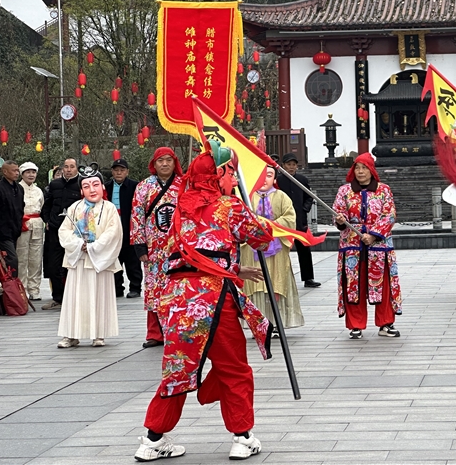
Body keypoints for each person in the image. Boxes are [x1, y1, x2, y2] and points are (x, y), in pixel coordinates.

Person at [134, 144, 273, 462]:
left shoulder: (180, 209)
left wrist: (233, 268)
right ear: (218, 174)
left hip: (178, 301)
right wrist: (260, 220)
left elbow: (187, 255)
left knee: (177, 369)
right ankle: (242, 437)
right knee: (234, 368)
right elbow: (262, 237)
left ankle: (152, 440)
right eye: (231, 173)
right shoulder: (229, 206)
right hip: (213, 299)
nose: (234, 179)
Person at [333, 153, 402, 339]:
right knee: (353, 285)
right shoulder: (344, 191)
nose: (360, 171)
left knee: (383, 284)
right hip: (352, 245)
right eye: (357, 168)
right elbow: (338, 212)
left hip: (379, 246)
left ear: (372, 170)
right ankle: (355, 325)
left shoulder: (384, 190)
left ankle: (386, 323)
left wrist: (373, 235)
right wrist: (340, 220)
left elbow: (389, 215)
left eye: (364, 168)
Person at [56, 167, 122, 348]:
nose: (92, 190)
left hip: (100, 259)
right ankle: (71, 334)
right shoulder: (74, 208)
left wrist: (94, 246)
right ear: (81, 190)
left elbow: (113, 233)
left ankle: (99, 334)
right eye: (86, 186)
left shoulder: (109, 208)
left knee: (99, 297)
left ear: (102, 187)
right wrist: (79, 244)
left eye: (95, 185)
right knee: (75, 298)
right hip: (78, 258)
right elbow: (64, 231)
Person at [241, 166, 305, 332]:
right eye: (261, 175)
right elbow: (241, 219)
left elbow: (290, 218)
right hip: (252, 248)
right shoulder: (247, 196)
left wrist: (270, 225)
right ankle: (258, 324)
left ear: (274, 179)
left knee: (276, 283)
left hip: (276, 249)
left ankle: (277, 322)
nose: (265, 179)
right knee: (255, 283)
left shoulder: (281, 196)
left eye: (269, 175)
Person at [131, 147, 183, 348]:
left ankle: (177, 329)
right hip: (153, 246)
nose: (165, 164)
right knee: (154, 287)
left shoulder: (183, 185)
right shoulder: (144, 187)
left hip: (178, 247)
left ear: (174, 162)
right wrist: (139, 245)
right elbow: (136, 216)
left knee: (178, 286)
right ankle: (155, 333)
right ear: (154, 164)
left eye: (168, 160)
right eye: (160, 160)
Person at [41, 158, 81, 310]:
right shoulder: (54, 184)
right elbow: (47, 205)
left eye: (72, 167)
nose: (68, 170)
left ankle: (74, 298)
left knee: (72, 264)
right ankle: (58, 297)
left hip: (74, 231)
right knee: (53, 265)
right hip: (54, 229)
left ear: (76, 168)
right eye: (66, 167)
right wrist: (47, 221)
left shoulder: (81, 184)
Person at [276, 152, 320, 287]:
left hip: (300, 220)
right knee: (281, 249)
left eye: (294, 165)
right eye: (288, 164)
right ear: (283, 165)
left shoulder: (302, 179)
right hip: (283, 220)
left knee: (304, 249)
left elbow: (309, 196)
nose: (291, 167)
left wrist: (304, 209)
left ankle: (308, 278)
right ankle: (280, 279)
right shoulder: (278, 181)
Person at [104, 158, 142, 298]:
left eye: (122, 170)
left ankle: (135, 288)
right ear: (112, 172)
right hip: (112, 230)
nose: (119, 173)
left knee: (133, 261)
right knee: (114, 261)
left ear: (127, 172)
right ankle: (116, 288)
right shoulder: (105, 187)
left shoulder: (135, 186)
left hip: (129, 229)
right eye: (116, 170)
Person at [17, 162, 44, 301]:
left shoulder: (39, 191)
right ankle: (21, 288)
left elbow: (42, 206)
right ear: (22, 174)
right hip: (22, 224)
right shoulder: (17, 188)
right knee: (21, 258)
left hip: (37, 224)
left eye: (33, 172)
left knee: (36, 258)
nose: (31, 175)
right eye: (28, 172)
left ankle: (34, 289)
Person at [0, 160, 25, 280]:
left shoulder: (19, 188)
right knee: (12, 259)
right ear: (5, 172)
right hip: (2, 231)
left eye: (17, 170)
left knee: (9, 258)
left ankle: (10, 283)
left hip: (15, 229)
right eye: (14, 170)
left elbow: (21, 208)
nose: (17, 173)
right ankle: (12, 284)